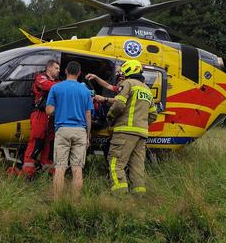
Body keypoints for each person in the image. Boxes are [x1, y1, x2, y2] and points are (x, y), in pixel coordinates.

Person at [105, 60, 158, 194]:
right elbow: (153, 115)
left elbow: (119, 105)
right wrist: (141, 124)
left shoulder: (127, 84)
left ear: (129, 70)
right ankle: (139, 195)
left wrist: (110, 117)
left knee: (115, 163)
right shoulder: (147, 89)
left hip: (125, 132)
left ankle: (120, 195)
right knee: (137, 167)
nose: (121, 74)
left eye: (123, 71)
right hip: (141, 135)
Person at [45, 61, 93, 200]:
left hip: (63, 130)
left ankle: (57, 201)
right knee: (77, 168)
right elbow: (88, 115)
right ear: (79, 73)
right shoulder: (85, 91)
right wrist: (88, 136)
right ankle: (75, 201)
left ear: (65, 71)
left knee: (60, 168)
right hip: (80, 132)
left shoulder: (56, 88)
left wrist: (61, 109)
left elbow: (49, 110)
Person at [21, 59, 60, 178]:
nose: (58, 71)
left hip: (52, 117)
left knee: (50, 144)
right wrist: (65, 86)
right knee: (36, 142)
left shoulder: (59, 82)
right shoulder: (41, 78)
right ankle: (28, 173)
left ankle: (48, 172)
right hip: (40, 115)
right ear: (49, 68)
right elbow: (48, 86)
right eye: (56, 68)